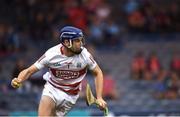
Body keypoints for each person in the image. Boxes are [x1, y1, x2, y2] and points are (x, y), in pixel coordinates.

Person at [11, 26, 107, 116]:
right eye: (77, 41)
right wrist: (19, 79)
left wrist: (99, 97)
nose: (80, 44)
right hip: (52, 89)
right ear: (66, 42)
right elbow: (29, 71)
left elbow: (98, 72)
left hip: (71, 96)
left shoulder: (85, 55)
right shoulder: (51, 55)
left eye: (81, 40)